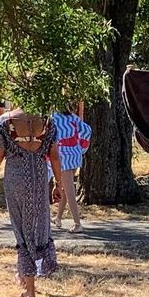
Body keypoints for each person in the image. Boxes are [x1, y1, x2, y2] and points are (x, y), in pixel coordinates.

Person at [0, 107, 67, 297]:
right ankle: (25, 278)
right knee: (38, 227)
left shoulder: (6, 122)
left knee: (22, 230)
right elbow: (54, 156)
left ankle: (29, 288)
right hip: (39, 178)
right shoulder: (47, 122)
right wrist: (59, 184)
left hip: (15, 180)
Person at [50, 98, 90, 233]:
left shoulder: (53, 118)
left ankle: (77, 223)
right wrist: (82, 148)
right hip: (75, 154)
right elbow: (87, 130)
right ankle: (58, 218)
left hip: (63, 156)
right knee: (66, 188)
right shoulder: (74, 118)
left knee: (69, 190)